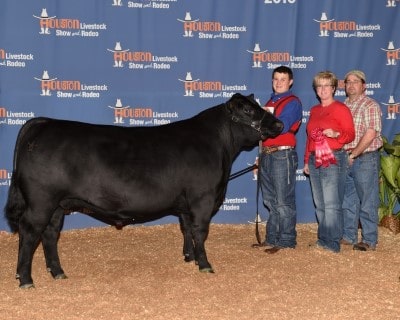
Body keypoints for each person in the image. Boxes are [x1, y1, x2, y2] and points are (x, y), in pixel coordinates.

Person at [303, 71, 355, 253]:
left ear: (333, 88)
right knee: (320, 203)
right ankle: (323, 239)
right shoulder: (315, 110)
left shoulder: (341, 109)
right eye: (319, 86)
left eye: (327, 86)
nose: (323, 89)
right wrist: (306, 161)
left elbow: (351, 134)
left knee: (332, 203)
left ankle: (332, 243)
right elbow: (310, 138)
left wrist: (336, 134)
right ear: (316, 90)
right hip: (314, 158)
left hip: (334, 157)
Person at [255, 66, 303, 254]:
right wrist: (258, 157)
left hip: (282, 154)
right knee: (270, 200)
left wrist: (259, 123)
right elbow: (262, 134)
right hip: (266, 153)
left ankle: (287, 240)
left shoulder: (292, 102)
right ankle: (272, 237)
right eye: (276, 79)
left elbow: (280, 126)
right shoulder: (270, 102)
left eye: (283, 79)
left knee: (283, 201)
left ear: (290, 82)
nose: (279, 82)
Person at [341, 70, 383, 251]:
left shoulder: (370, 105)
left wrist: (354, 154)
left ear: (364, 85)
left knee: (367, 199)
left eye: (355, 81)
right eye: (348, 82)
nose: (351, 85)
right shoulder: (343, 105)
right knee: (348, 200)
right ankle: (349, 236)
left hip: (365, 158)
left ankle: (369, 239)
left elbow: (371, 132)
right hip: (347, 157)